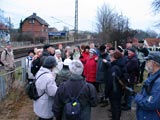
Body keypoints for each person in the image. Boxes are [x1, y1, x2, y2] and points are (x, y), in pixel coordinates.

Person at [135, 52, 160, 120]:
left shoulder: (158, 82)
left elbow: (151, 103)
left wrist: (137, 97)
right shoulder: (152, 76)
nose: (146, 63)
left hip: (151, 116)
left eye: (147, 61)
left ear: (153, 63)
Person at [33, 56, 58, 120]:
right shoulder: (49, 77)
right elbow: (52, 92)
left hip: (38, 101)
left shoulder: (39, 72)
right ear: (52, 66)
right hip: (46, 105)